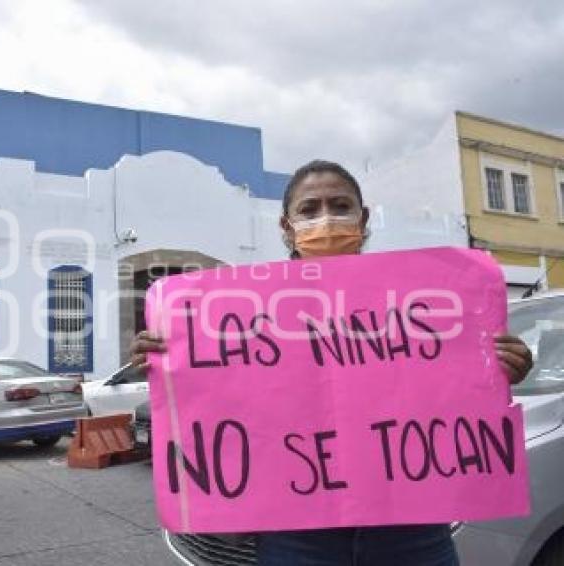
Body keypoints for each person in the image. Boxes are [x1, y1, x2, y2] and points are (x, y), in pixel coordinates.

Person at [129, 159, 533, 566]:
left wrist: (497, 369)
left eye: (340, 205)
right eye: (310, 209)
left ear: (364, 217)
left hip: (412, 530)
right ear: (287, 226)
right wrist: (171, 364)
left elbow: (446, 392)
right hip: (298, 535)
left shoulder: (421, 297)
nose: (327, 218)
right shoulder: (237, 312)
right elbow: (223, 402)